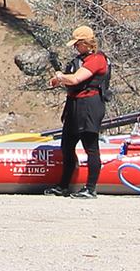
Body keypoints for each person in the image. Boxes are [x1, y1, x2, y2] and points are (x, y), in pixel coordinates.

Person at [47, 25, 109, 199]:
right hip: (74, 105)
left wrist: (60, 77)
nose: (76, 47)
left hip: (89, 105)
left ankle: (90, 188)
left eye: (78, 44)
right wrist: (59, 79)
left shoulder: (97, 59)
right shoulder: (79, 60)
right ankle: (64, 185)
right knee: (67, 145)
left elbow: (75, 79)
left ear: (87, 43)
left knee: (90, 146)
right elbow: (70, 79)